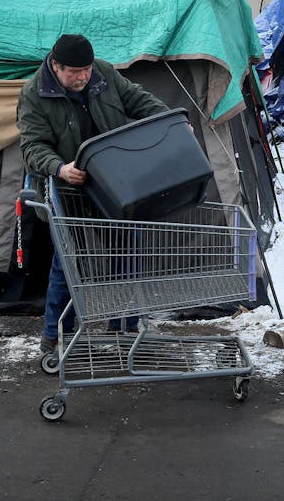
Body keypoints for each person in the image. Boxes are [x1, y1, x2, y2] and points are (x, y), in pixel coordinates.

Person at [17, 33, 170, 355]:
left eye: (86, 69)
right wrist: (60, 167)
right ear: (55, 66)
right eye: (74, 71)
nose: (83, 77)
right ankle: (55, 336)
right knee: (69, 264)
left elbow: (137, 100)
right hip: (67, 187)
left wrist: (170, 122)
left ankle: (124, 329)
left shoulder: (102, 73)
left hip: (116, 183)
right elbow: (32, 147)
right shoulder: (33, 94)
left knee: (127, 253)